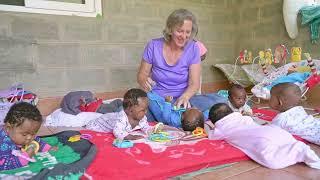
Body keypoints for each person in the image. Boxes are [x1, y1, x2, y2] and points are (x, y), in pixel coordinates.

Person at [207, 103, 320, 169]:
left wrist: (207, 125)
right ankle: (295, 146)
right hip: (272, 130)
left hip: (260, 140)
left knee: (272, 160)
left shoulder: (221, 129)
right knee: (285, 140)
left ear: (215, 121)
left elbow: (211, 135)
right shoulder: (243, 118)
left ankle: (299, 150)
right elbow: (250, 120)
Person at [137, 8, 201, 109]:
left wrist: (185, 97)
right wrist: (144, 81)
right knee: (132, 110)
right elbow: (141, 75)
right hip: (157, 98)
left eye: (187, 32)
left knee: (218, 101)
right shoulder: (153, 46)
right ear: (170, 29)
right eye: (180, 31)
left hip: (183, 96)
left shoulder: (193, 48)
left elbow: (195, 83)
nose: (184, 36)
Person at [0, 102, 52, 171]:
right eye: (24, 134)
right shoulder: (4, 144)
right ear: (8, 128)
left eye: (33, 134)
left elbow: (36, 141)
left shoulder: (22, 135)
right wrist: (25, 156)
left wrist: (48, 148)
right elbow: (3, 165)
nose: (29, 138)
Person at [85, 88, 151, 140]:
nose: (146, 112)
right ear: (130, 111)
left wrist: (151, 131)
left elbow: (145, 126)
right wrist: (131, 137)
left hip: (112, 117)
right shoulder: (122, 118)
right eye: (143, 110)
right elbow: (118, 132)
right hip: (97, 125)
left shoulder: (142, 118)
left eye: (146, 109)